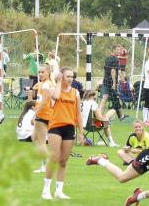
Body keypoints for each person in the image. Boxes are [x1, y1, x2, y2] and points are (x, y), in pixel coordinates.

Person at [42, 67, 82, 201]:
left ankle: (59, 190)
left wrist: (81, 132)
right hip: (55, 127)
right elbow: (55, 97)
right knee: (54, 157)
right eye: (68, 76)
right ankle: (46, 189)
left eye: (72, 77)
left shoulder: (76, 93)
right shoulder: (55, 89)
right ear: (61, 77)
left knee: (63, 161)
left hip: (69, 127)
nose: (70, 79)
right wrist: (59, 82)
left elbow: (78, 113)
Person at [31, 64, 53, 174]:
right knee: (34, 137)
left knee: (41, 141)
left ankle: (45, 165)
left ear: (48, 72)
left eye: (43, 72)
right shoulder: (44, 84)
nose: (40, 74)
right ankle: (45, 161)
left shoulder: (46, 85)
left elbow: (44, 102)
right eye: (39, 72)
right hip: (44, 114)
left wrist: (35, 114)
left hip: (43, 114)